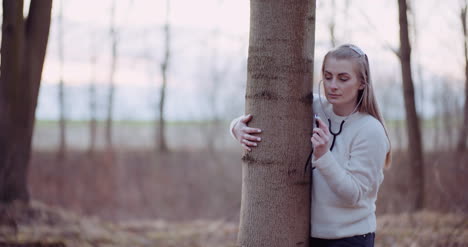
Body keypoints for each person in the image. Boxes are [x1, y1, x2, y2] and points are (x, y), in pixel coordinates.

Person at [229, 44, 391, 247]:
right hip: (309, 237)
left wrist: (323, 156)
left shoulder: (370, 130)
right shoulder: (315, 107)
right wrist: (237, 127)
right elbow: (268, 112)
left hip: (350, 239)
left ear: (362, 83)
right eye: (328, 76)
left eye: (343, 78)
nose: (333, 85)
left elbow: (354, 194)